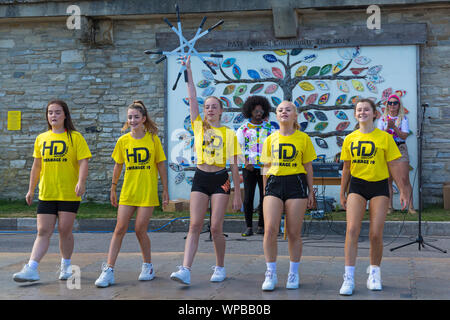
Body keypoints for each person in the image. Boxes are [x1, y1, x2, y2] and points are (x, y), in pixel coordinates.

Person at [170, 56, 242, 285]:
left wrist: (237, 193)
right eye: (207, 106)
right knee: (194, 224)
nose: (210, 109)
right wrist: (188, 71)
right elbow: (192, 97)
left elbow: (234, 165)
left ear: (221, 111)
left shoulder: (229, 133)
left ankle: (220, 266)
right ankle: (185, 269)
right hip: (200, 177)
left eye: (214, 107)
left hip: (221, 179)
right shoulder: (198, 125)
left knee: (215, 227)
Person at [339, 98, 412, 296]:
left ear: (374, 114)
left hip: (379, 186)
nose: (362, 112)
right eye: (359, 110)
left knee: (375, 233)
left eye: (366, 109)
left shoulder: (385, 138)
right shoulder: (349, 138)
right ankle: (349, 277)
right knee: (352, 229)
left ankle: (374, 272)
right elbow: (346, 168)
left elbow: (395, 166)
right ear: (355, 114)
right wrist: (342, 193)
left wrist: (403, 190)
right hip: (357, 186)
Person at [13, 100, 91, 283]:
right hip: (47, 192)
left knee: (65, 230)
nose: (53, 116)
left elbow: (83, 162)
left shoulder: (75, 137)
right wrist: (31, 189)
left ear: (65, 115)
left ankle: (66, 266)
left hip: (68, 193)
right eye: (50, 113)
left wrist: (81, 182)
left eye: (57, 112)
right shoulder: (41, 138)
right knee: (43, 230)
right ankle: (31, 268)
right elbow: (36, 165)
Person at [94, 100, 169, 288]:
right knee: (119, 229)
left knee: (139, 229)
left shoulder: (153, 139)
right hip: (128, 191)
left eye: (136, 117)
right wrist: (113, 188)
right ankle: (109, 270)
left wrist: (166, 191)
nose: (132, 120)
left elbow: (160, 165)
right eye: (129, 117)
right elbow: (118, 165)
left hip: (147, 191)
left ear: (143, 119)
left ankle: (148, 266)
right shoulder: (123, 141)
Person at [260, 100, 316, 291]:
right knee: (270, 230)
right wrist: (266, 190)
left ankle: (293, 272)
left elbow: (308, 166)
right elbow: (265, 167)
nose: (284, 112)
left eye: (288, 109)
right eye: (280, 110)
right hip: (274, 184)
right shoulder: (270, 139)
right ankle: (271, 273)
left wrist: (311, 192)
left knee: (293, 232)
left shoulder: (303, 138)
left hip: (296, 184)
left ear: (295, 115)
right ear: (276, 115)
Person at [236, 96, 275, 237]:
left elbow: (274, 147)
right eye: (255, 110)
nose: (259, 112)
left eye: (261, 110)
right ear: (249, 111)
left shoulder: (270, 128)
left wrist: (270, 163)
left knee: (265, 197)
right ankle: (248, 227)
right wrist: (245, 162)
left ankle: (261, 226)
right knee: (248, 198)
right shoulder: (243, 129)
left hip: (266, 168)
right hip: (249, 168)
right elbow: (237, 149)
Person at [377, 94, 416, 214]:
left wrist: (394, 127)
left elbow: (404, 135)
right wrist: (386, 128)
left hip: (399, 148)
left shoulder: (403, 119)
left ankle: (410, 207)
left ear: (399, 105)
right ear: (387, 105)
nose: (392, 105)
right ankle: (390, 207)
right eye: (390, 103)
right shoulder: (382, 119)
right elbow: (379, 137)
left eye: (395, 103)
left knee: (404, 179)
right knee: (388, 179)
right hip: (387, 150)